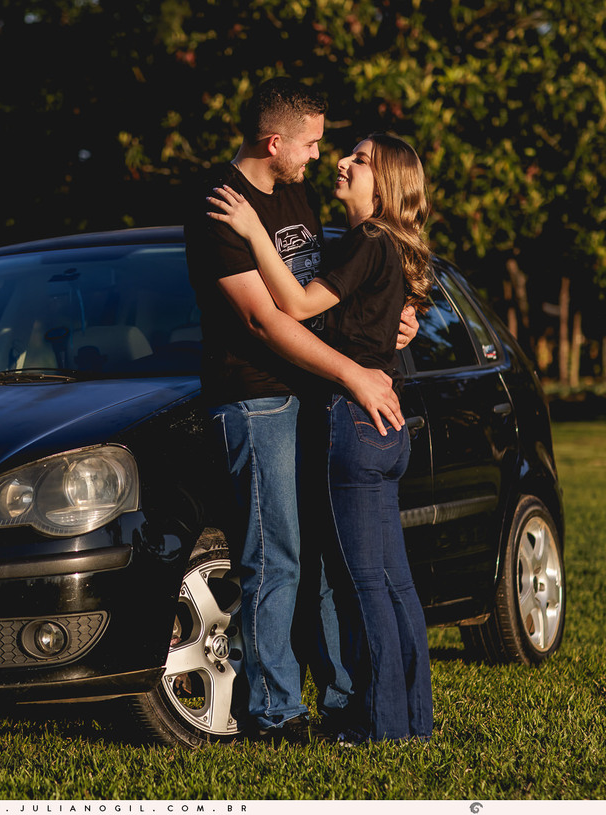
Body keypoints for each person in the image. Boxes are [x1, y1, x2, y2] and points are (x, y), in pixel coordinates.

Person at [184, 78, 416, 741]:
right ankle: (276, 710)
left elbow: (341, 277)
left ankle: (343, 698)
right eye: (311, 142)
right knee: (276, 554)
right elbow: (266, 320)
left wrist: (399, 312)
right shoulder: (220, 206)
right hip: (257, 395)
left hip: (314, 393)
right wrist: (357, 374)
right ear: (274, 141)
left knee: (320, 554)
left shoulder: (295, 189)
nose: (320, 155)